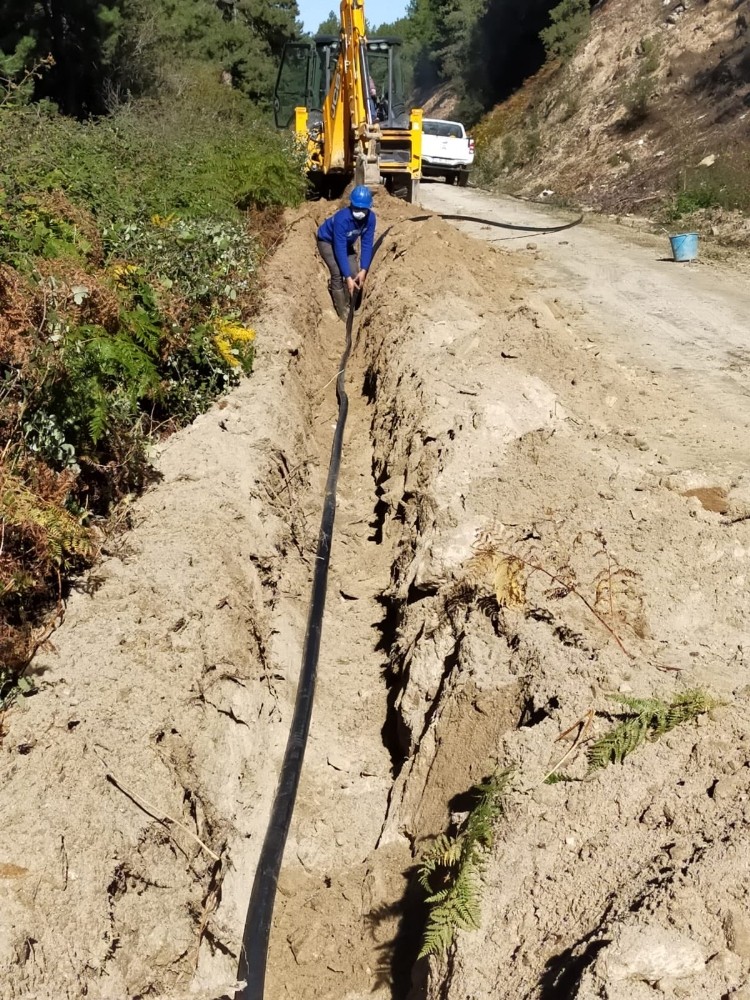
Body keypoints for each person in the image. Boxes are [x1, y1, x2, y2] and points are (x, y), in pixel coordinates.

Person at [316, 185, 376, 321]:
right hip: (328, 241)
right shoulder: (342, 219)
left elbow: (367, 244)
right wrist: (347, 278)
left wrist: (364, 269)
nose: (360, 212)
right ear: (351, 205)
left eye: (363, 209)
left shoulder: (370, 219)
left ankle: (351, 305)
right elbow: (339, 249)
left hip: (346, 243)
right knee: (337, 271)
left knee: (355, 272)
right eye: (357, 208)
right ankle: (342, 310)